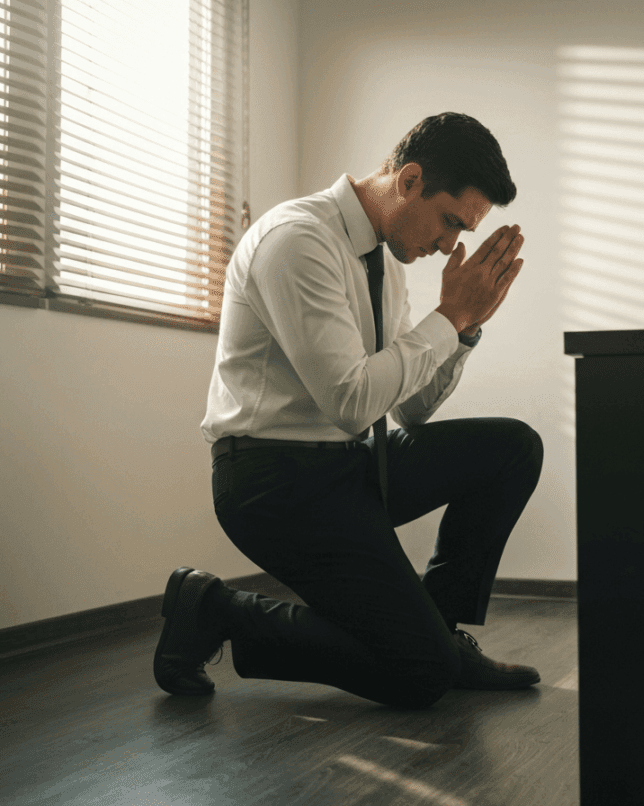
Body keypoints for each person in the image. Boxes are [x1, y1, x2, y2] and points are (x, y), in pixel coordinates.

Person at [153, 112, 544, 709]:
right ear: (409, 181)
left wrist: (462, 334)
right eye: (449, 222)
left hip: (351, 465)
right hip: (272, 482)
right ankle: (215, 608)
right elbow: (351, 401)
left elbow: (409, 409)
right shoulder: (297, 242)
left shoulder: (388, 259)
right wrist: (449, 319)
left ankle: (440, 630)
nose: (448, 246)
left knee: (513, 447)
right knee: (419, 676)